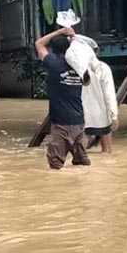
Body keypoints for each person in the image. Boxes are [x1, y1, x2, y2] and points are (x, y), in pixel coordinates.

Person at [34, 27, 90, 169]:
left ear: (52, 50)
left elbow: (39, 44)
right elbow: (88, 82)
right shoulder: (79, 67)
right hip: (79, 122)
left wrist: (60, 32)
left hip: (61, 124)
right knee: (82, 164)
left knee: (55, 166)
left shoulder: (54, 64)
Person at [81, 40, 119, 153]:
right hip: (101, 114)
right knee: (107, 151)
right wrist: (114, 116)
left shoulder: (77, 68)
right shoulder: (103, 68)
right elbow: (109, 94)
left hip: (82, 113)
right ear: (96, 52)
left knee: (81, 151)